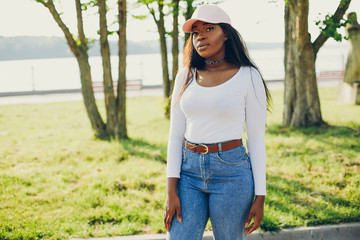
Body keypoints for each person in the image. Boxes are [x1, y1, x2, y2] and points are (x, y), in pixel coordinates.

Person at [164, 4, 271, 240]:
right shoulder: (185, 75)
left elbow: (255, 140)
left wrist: (260, 196)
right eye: (195, 32)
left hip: (232, 174)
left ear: (226, 34)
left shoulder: (249, 76)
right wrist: (170, 189)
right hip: (188, 173)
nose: (200, 36)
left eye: (209, 28)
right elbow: (175, 135)